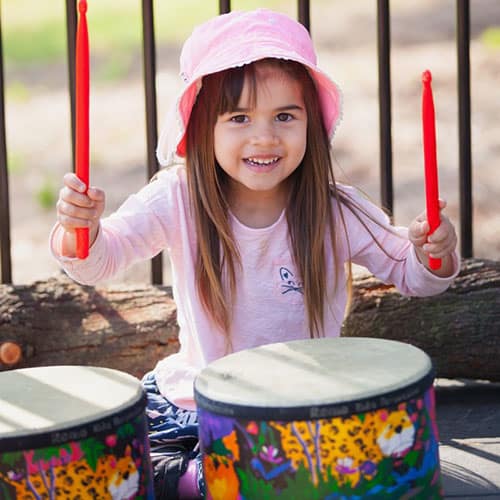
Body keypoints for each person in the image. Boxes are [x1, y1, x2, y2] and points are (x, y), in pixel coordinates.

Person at [51, 8, 459, 499]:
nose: (264, 137)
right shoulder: (177, 197)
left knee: (344, 463)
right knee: (117, 468)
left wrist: (434, 251)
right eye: (239, 118)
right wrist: (79, 230)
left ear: (311, 121)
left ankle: (203, 482)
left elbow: (414, 274)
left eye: (285, 116)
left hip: (300, 407)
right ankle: (190, 479)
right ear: (203, 127)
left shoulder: (335, 209)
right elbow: (99, 260)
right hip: (194, 402)